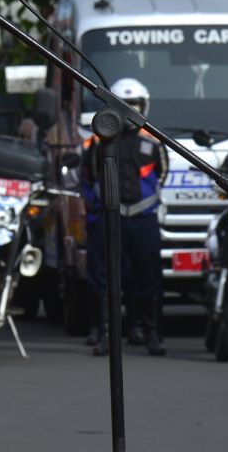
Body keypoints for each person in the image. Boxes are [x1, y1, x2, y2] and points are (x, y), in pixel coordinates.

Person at [81, 77, 167, 357]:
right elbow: (90, 177)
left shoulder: (154, 142)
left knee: (149, 278)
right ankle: (105, 334)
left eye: (135, 106)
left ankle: (152, 332)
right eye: (123, 106)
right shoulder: (99, 141)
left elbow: (161, 177)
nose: (129, 112)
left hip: (143, 219)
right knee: (104, 280)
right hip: (109, 218)